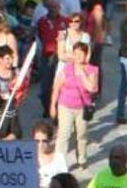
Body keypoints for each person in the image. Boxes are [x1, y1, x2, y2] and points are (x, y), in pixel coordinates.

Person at [50, 42, 97, 170]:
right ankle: (60, 162)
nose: (78, 56)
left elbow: (92, 88)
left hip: (82, 107)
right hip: (65, 105)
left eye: (81, 54)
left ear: (86, 54)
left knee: (81, 135)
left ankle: (82, 158)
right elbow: (57, 87)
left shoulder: (92, 70)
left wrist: (82, 73)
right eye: (76, 54)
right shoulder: (67, 68)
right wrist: (52, 105)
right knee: (63, 134)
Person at [34, 121, 67, 188]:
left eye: (44, 141)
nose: (40, 145)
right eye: (37, 141)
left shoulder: (59, 158)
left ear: (49, 140)